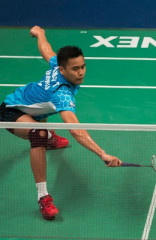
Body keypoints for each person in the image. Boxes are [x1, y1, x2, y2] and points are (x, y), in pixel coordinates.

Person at [0, 26, 122, 220]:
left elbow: (46, 50)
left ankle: (49, 137)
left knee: (41, 119)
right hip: (10, 111)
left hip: (35, 109)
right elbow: (75, 130)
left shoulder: (57, 64)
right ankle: (43, 196)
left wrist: (40, 34)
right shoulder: (62, 96)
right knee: (37, 134)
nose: (81, 72)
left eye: (83, 66)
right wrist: (103, 154)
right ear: (62, 69)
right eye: (75, 69)